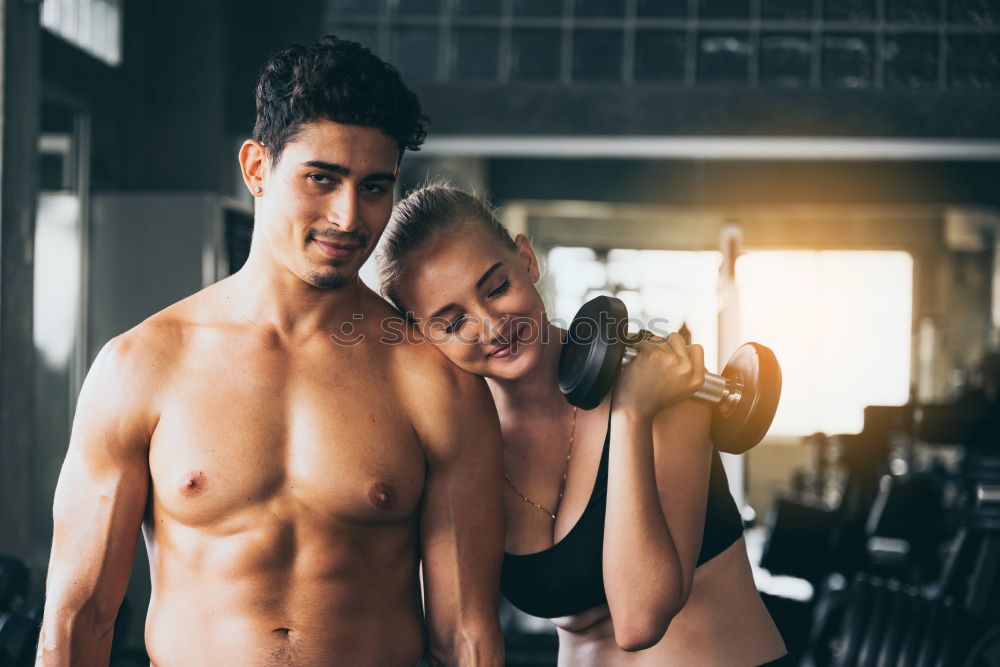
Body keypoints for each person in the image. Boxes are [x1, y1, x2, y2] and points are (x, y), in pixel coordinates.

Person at [37, 39, 505, 666]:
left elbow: (468, 636)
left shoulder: (433, 379)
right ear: (257, 168)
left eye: (373, 187)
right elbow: (79, 621)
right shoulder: (141, 367)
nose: (348, 216)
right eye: (322, 178)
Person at [376, 184, 788, 666]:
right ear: (421, 336)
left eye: (496, 288)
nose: (490, 326)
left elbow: (640, 619)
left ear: (526, 259)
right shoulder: (458, 441)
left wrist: (632, 412)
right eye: (450, 323)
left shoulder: (660, 383)